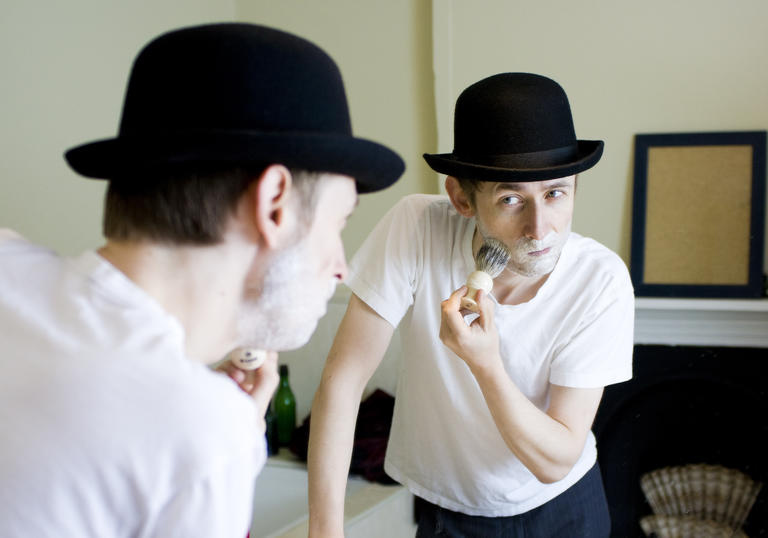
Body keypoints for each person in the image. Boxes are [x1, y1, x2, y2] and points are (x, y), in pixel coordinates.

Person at [0, 23, 403, 538]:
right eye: (339, 222)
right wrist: (219, 433)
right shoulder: (199, 432)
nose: (342, 266)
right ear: (274, 203)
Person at [307, 73, 634, 537]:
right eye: (510, 199)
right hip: (447, 511)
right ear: (461, 197)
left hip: (563, 511)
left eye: (555, 193)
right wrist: (325, 530)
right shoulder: (417, 228)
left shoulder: (600, 281)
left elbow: (556, 461)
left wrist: (486, 365)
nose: (540, 229)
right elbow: (343, 380)